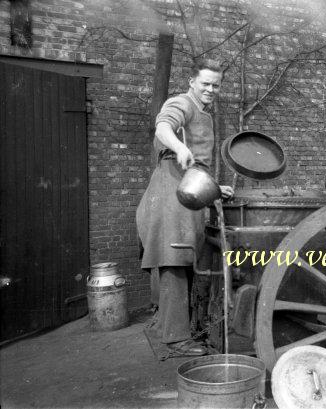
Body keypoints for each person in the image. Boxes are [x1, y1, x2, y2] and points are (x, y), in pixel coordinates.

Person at [136, 60, 233, 355]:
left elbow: (198, 165)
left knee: (182, 260)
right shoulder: (182, 103)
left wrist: (215, 186)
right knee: (174, 261)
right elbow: (163, 125)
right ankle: (176, 339)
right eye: (205, 83)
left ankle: (178, 327)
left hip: (187, 189)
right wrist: (179, 147)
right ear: (192, 81)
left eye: (215, 85)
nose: (210, 89)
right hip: (170, 194)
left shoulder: (204, 114)